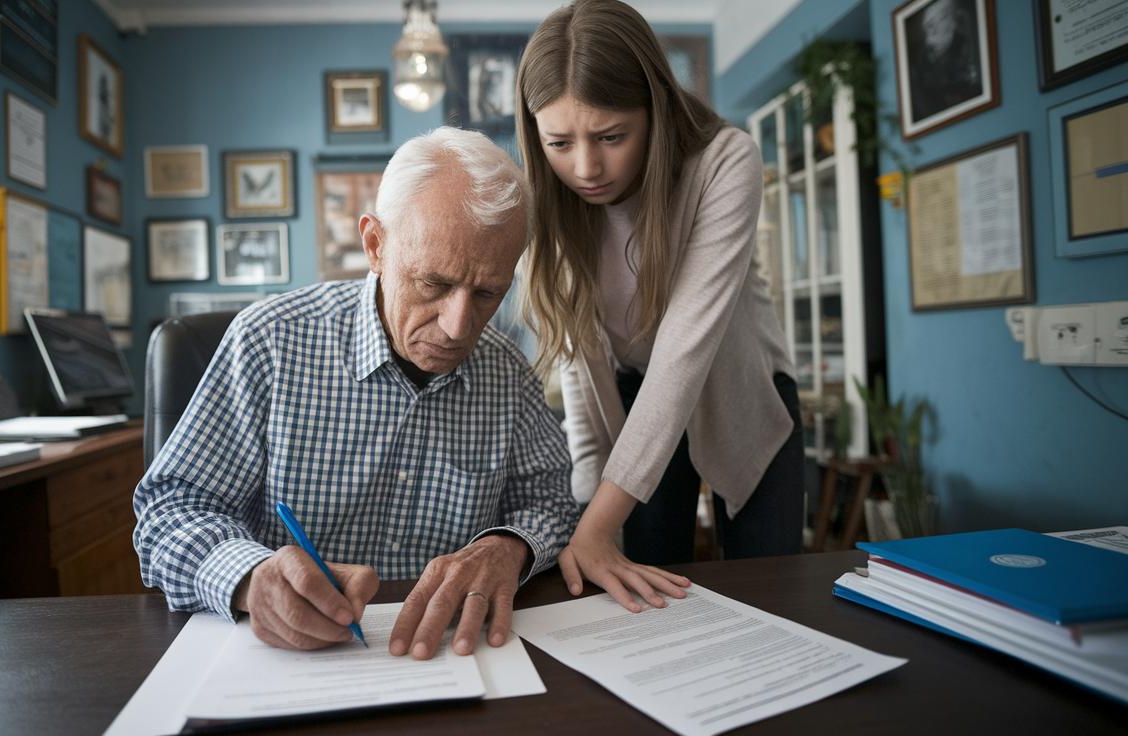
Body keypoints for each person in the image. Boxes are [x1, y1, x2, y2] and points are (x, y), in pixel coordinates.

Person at [133, 126, 578, 660]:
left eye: (487, 293)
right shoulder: (271, 341)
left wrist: (508, 547)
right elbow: (170, 510)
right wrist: (250, 577)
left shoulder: (507, 374)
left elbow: (552, 500)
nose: (460, 327)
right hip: (283, 663)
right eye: (433, 284)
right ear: (374, 245)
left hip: (446, 658)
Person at [515, 0, 804, 613]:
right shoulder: (553, 207)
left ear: (656, 110)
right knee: (647, 604)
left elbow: (683, 354)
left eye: (612, 136)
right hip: (633, 413)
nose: (586, 169)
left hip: (746, 399)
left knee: (771, 599)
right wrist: (591, 515)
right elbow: (583, 375)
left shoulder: (726, 161)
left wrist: (595, 525)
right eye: (560, 143)